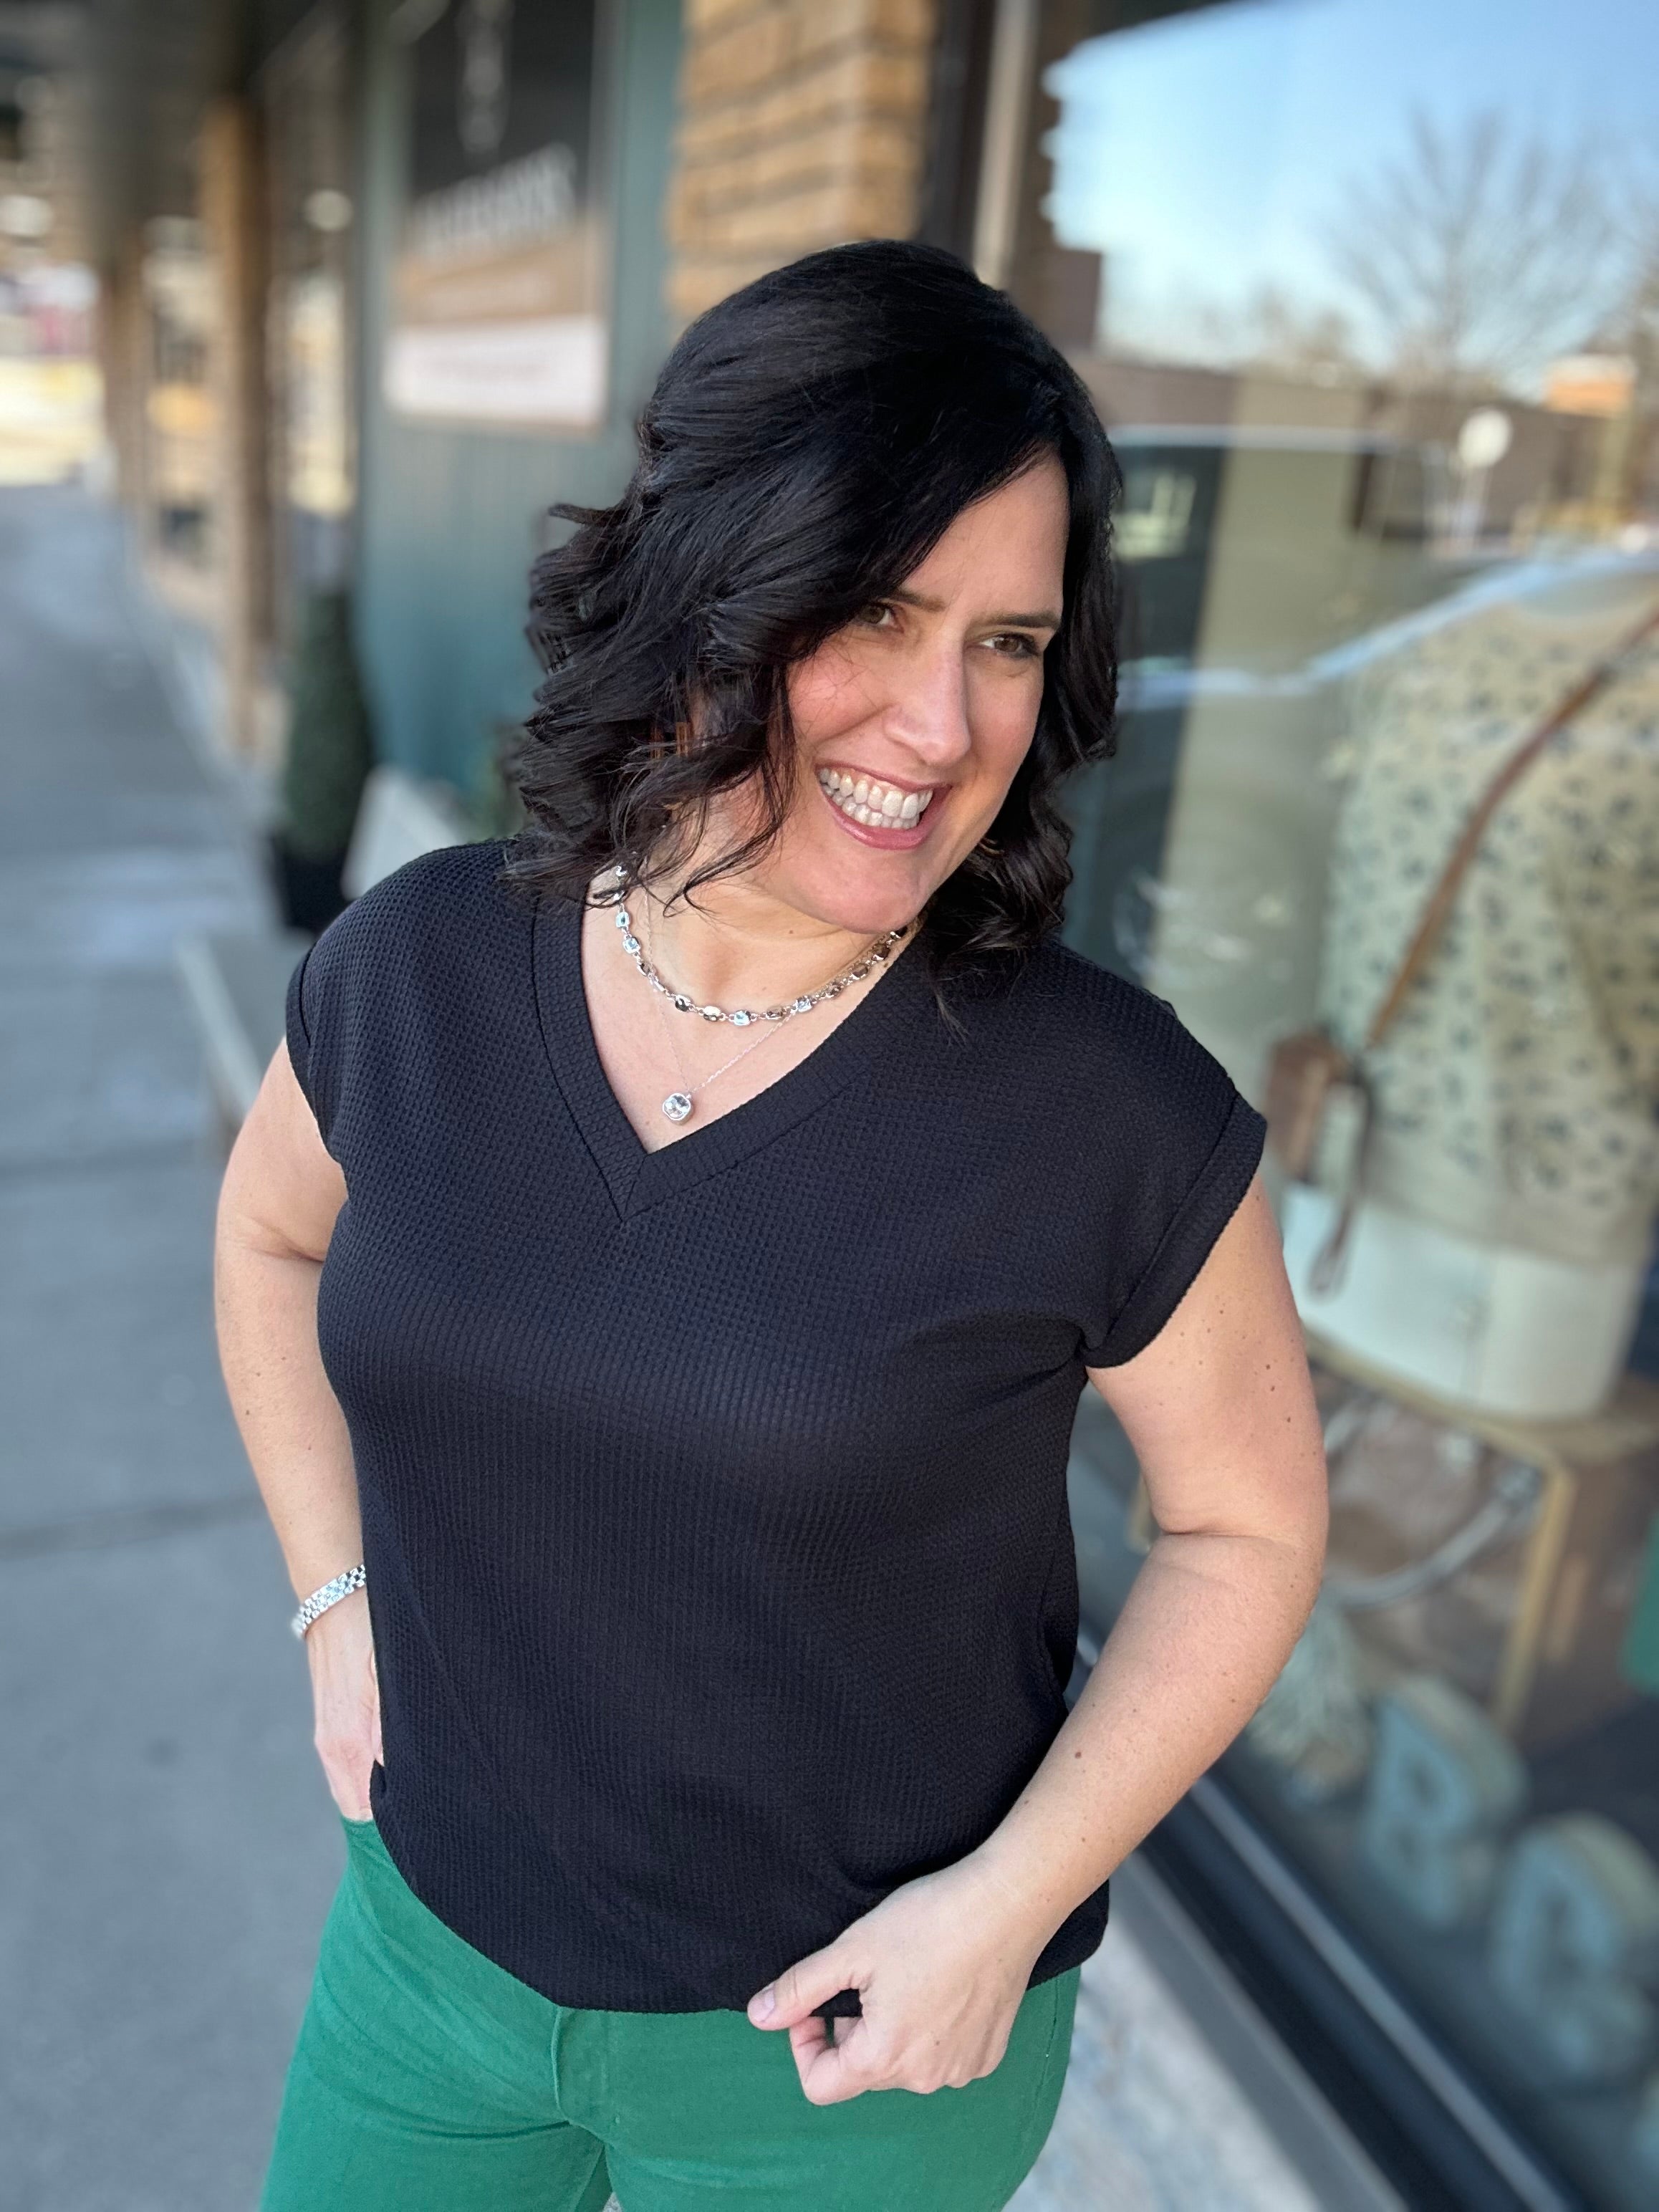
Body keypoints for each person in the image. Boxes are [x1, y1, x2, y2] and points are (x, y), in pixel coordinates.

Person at [216, 239, 1328, 2212]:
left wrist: (1009, 1901)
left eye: (1008, 641)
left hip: (840, 2069)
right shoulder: (419, 970)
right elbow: (268, 1244)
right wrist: (334, 1603)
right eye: (879, 611)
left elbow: (1244, 1529)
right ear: (706, 587)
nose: (942, 723)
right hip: (425, 1964)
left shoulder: (1106, 1112)